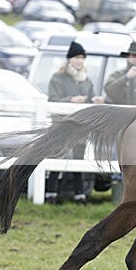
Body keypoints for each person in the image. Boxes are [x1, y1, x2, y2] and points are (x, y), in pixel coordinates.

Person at [45, 41, 105, 203]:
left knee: (78, 159)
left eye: (82, 58)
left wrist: (95, 101)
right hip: (62, 125)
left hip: (80, 127)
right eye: (76, 57)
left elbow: (91, 97)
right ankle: (51, 194)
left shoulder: (87, 80)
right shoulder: (57, 78)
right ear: (69, 59)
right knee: (58, 158)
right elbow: (52, 100)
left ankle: (79, 195)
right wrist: (70, 100)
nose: (79, 61)